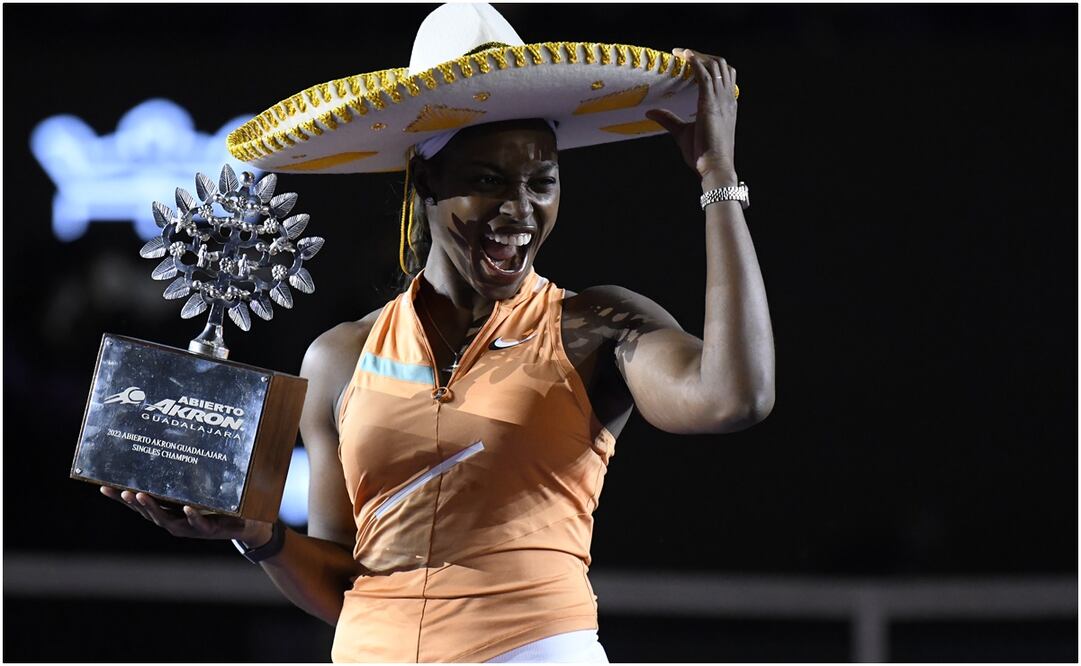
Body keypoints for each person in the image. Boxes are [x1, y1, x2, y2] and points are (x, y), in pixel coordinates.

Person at [101, 4, 775, 662]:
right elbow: (344, 579)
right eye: (486, 180)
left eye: (541, 182)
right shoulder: (340, 356)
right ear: (425, 180)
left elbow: (732, 397)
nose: (518, 208)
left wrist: (717, 180)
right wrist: (259, 536)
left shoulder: (595, 327)